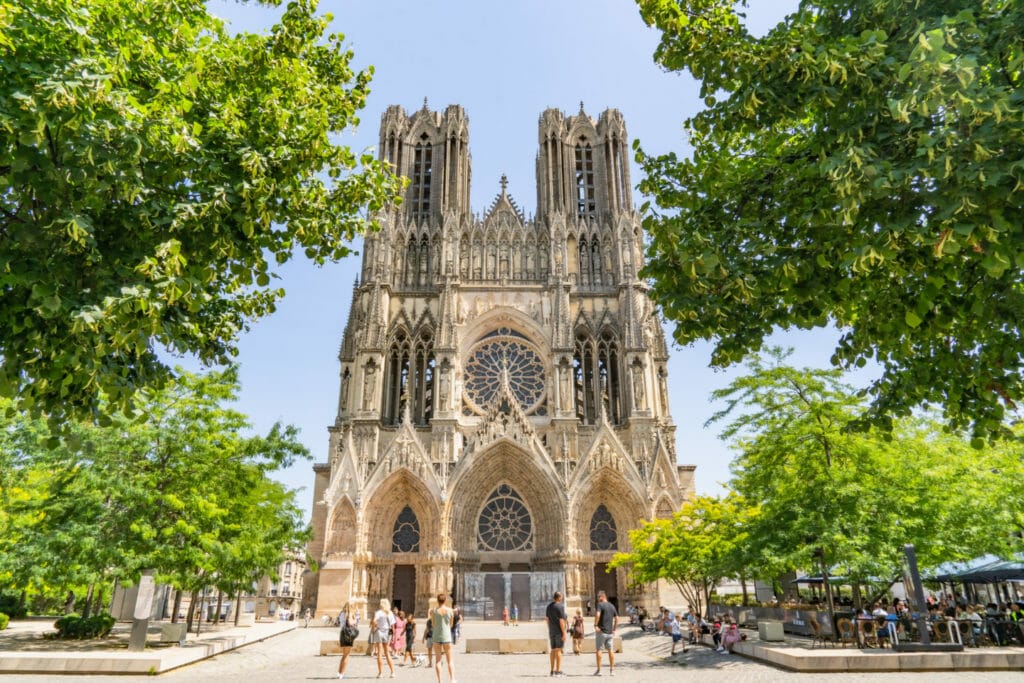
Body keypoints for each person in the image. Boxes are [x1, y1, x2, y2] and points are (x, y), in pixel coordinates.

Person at [431, 593, 456, 683]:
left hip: (436, 636)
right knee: (450, 660)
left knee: (438, 660)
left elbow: (433, 624)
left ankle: (440, 680)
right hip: (446, 636)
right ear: (445, 600)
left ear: (437, 600)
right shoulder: (450, 611)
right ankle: (452, 679)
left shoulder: (433, 611)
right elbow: (451, 624)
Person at [593, 590, 618, 677]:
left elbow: (598, 614)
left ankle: (599, 670)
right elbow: (617, 618)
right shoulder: (612, 606)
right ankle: (612, 670)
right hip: (610, 632)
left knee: (599, 650)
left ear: (602, 597)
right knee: (610, 650)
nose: (598, 600)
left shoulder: (600, 605)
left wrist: (595, 625)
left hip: (601, 631)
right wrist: (614, 629)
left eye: (598, 598)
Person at [371, 598, 396, 679]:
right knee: (387, 653)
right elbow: (392, 626)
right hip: (387, 633)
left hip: (379, 632)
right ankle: (392, 672)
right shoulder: (390, 613)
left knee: (379, 653)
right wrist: (393, 636)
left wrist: (374, 626)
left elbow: (374, 621)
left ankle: (380, 673)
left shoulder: (378, 612)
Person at [545, 591, 568, 677]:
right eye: (561, 597)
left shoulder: (549, 606)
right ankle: (558, 671)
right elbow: (561, 621)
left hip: (552, 631)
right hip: (559, 631)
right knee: (559, 650)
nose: (562, 598)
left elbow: (547, 619)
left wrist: (550, 628)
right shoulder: (560, 607)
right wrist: (564, 633)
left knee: (553, 650)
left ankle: (552, 671)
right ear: (559, 597)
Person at [337, 604, 360, 680]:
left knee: (344, 655)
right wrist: (355, 619)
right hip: (348, 635)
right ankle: (342, 674)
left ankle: (339, 673)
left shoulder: (342, 613)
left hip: (343, 634)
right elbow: (350, 623)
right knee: (347, 655)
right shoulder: (349, 613)